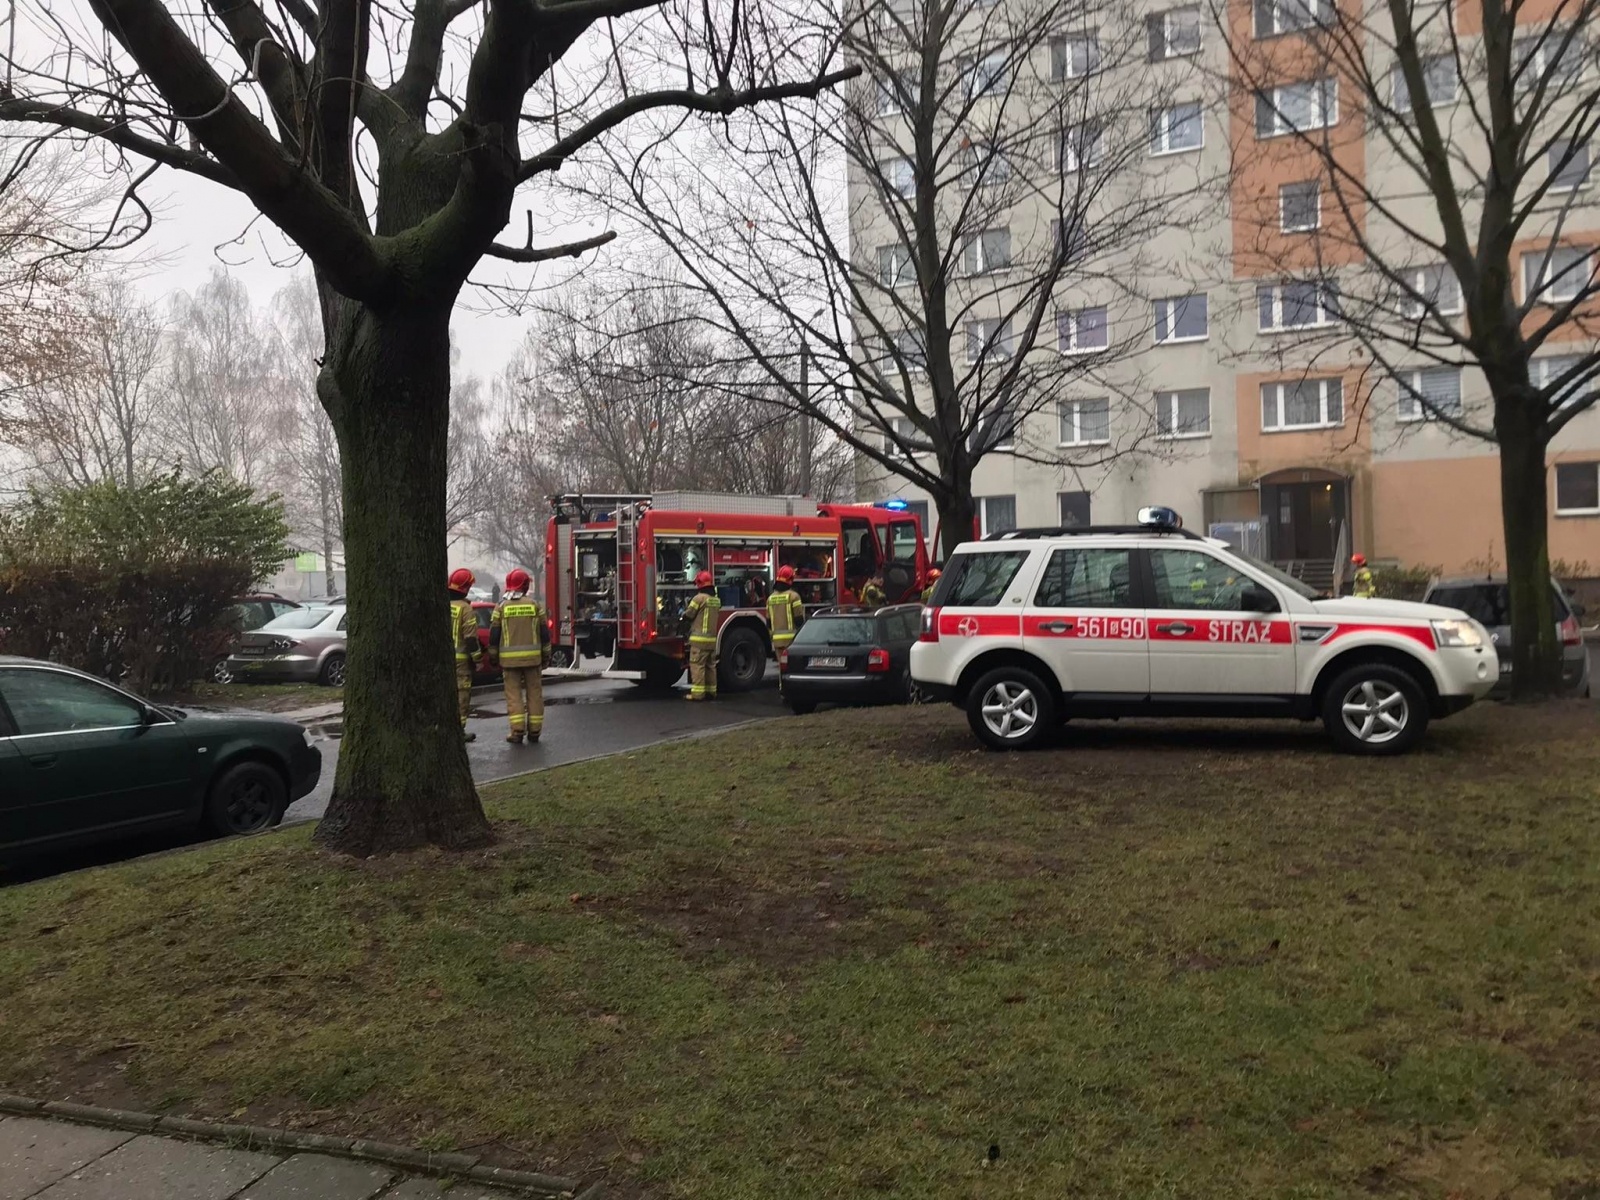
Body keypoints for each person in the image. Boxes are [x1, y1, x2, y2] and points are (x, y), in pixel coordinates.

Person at [491, 569, 551, 744]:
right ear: (525, 585)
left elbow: (494, 635)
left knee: (514, 695)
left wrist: (493, 657)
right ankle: (535, 732)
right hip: (533, 660)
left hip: (509, 662)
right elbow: (544, 634)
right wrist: (546, 656)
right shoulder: (535, 606)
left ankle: (517, 732)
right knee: (535, 694)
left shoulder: (501, 607)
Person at [448, 568, 480, 742]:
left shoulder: (442, 604)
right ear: (466, 588)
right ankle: (459, 731)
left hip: (443, 660)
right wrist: (477, 659)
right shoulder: (465, 609)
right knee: (462, 696)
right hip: (461, 662)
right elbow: (470, 639)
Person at [684, 570, 721, 701]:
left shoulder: (698, 598)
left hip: (699, 642)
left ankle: (698, 694)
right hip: (711, 641)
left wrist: (682, 617)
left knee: (698, 666)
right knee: (710, 666)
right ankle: (712, 692)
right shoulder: (716, 600)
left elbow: (689, 614)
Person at [767, 566, 806, 658]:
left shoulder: (770, 598)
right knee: (792, 668)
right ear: (790, 580)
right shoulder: (794, 596)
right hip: (791, 641)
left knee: (782, 668)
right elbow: (799, 620)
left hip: (777, 642)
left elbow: (768, 622)